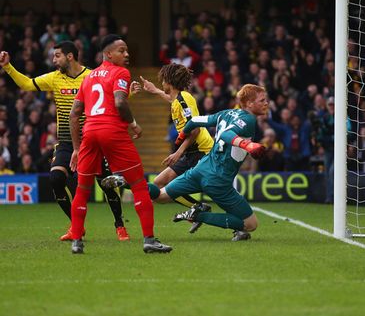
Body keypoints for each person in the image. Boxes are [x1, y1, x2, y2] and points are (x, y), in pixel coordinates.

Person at [0, 42, 130, 241]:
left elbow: (112, 97)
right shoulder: (54, 78)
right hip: (66, 141)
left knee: (105, 184)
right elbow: (27, 84)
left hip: (93, 139)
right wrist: (8, 67)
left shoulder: (92, 76)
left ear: (70, 56)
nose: (53, 60)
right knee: (56, 179)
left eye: (57, 56)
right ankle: (76, 227)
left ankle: (120, 226)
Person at [107, 84, 268, 242]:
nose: (266, 103)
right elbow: (227, 134)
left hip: (200, 169)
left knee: (161, 196)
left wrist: (182, 134)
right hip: (219, 179)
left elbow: (195, 121)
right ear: (249, 103)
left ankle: (125, 181)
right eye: (262, 100)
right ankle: (198, 215)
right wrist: (247, 144)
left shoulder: (226, 113)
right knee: (250, 223)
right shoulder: (248, 120)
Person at [68, 34, 171, 254]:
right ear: (108, 54)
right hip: (112, 130)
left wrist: (76, 148)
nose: (127, 54)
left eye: (126, 50)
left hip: (90, 132)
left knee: (82, 188)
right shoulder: (120, 72)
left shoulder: (88, 77)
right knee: (139, 186)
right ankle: (149, 240)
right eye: (122, 51)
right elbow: (119, 101)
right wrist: (133, 124)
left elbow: (74, 114)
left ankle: (77, 241)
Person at [134, 63, 215, 233]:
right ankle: (198, 207)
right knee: (158, 183)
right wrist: (155, 90)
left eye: (163, 80)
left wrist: (178, 153)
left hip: (202, 150)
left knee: (215, 188)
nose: (161, 82)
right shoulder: (178, 99)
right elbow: (171, 99)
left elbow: (195, 129)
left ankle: (238, 224)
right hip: (190, 151)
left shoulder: (184, 98)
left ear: (169, 81)